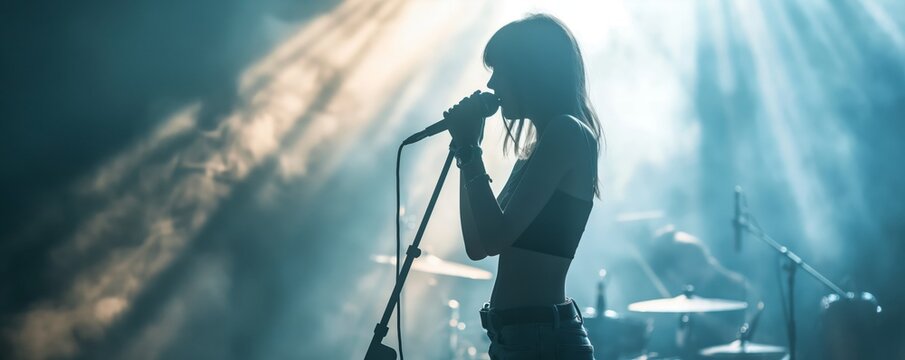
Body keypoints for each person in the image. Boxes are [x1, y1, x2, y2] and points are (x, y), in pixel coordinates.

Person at [444, 14, 602, 360]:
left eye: (500, 70)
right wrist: (466, 153)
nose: (492, 84)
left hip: (542, 340)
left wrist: (471, 153)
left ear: (531, 71)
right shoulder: (534, 149)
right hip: (519, 339)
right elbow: (478, 244)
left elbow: (495, 237)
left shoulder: (567, 132)